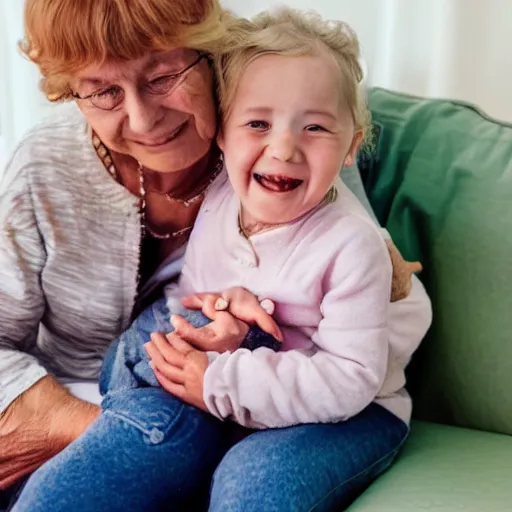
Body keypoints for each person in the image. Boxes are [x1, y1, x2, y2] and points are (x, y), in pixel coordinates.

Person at [0, 2, 430, 511]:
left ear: (211, 58)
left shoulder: (285, 139)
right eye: (103, 91)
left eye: (162, 77)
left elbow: (370, 321)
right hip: (109, 398)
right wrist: (120, 432)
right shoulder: (44, 165)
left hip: (262, 399)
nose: (143, 118)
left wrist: (197, 408)